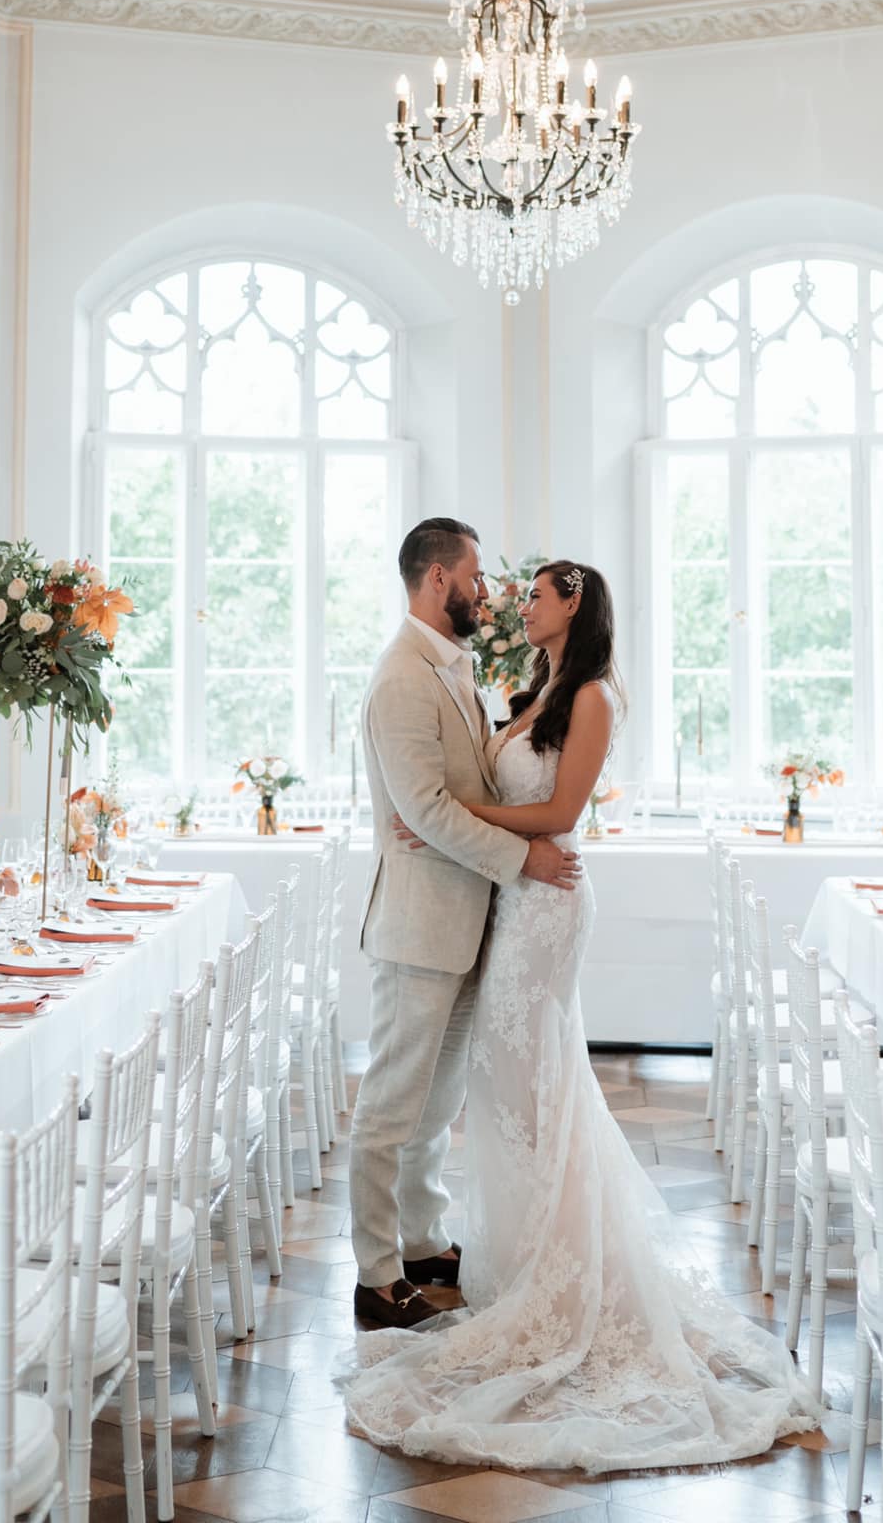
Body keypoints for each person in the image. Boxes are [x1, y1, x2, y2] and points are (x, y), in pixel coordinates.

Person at [343, 559, 817, 1470]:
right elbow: (469, 795)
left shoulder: (591, 694)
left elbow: (560, 810)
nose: (510, 596)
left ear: (574, 607)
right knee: (499, 1089)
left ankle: (540, 1271)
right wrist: (436, 816)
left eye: (532, 593)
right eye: (494, 583)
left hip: (543, 901)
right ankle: (498, 1260)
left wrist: (444, 813)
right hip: (505, 901)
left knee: (532, 1086)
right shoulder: (525, 685)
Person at [349, 518, 581, 1331]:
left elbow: (457, 794)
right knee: (391, 1103)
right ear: (438, 578)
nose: (487, 591)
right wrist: (526, 860)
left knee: (434, 1100)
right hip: (418, 925)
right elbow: (426, 810)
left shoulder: (451, 666)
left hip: (461, 919)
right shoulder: (401, 679)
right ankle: (376, 1275)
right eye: (476, 576)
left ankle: (420, 1239)